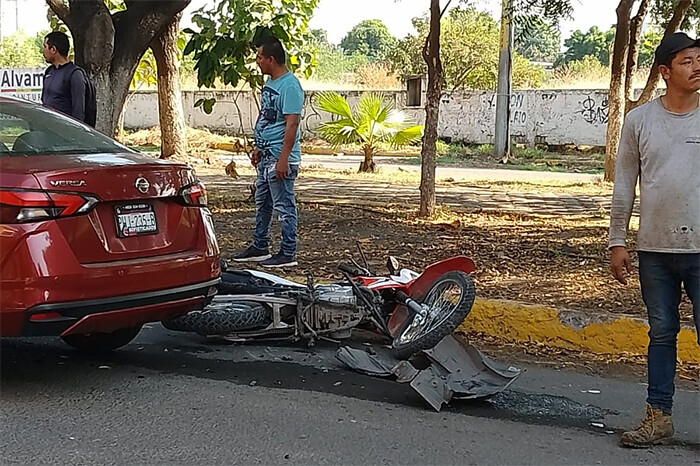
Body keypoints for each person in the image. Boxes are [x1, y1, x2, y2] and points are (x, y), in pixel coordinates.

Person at [609, 32, 699, 448]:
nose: (696, 66)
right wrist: (617, 242)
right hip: (654, 252)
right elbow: (625, 184)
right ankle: (658, 417)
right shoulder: (639, 121)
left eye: (699, 58)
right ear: (665, 71)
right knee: (662, 333)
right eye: (686, 60)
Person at [232, 35, 304, 268]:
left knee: (284, 205)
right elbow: (267, 117)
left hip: (279, 157)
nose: (257, 62)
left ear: (271, 59)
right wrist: (258, 147)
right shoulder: (270, 84)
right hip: (265, 155)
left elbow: (291, 124)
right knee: (262, 203)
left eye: (259, 57)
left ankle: (287, 252)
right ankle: (260, 245)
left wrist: (284, 159)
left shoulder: (290, 86)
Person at [41, 31, 89, 124]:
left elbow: (79, 112)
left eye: (45, 47)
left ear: (53, 49)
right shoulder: (49, 72)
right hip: (47, 129)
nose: (43, 51)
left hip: (63, 132)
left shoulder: (74, 74)